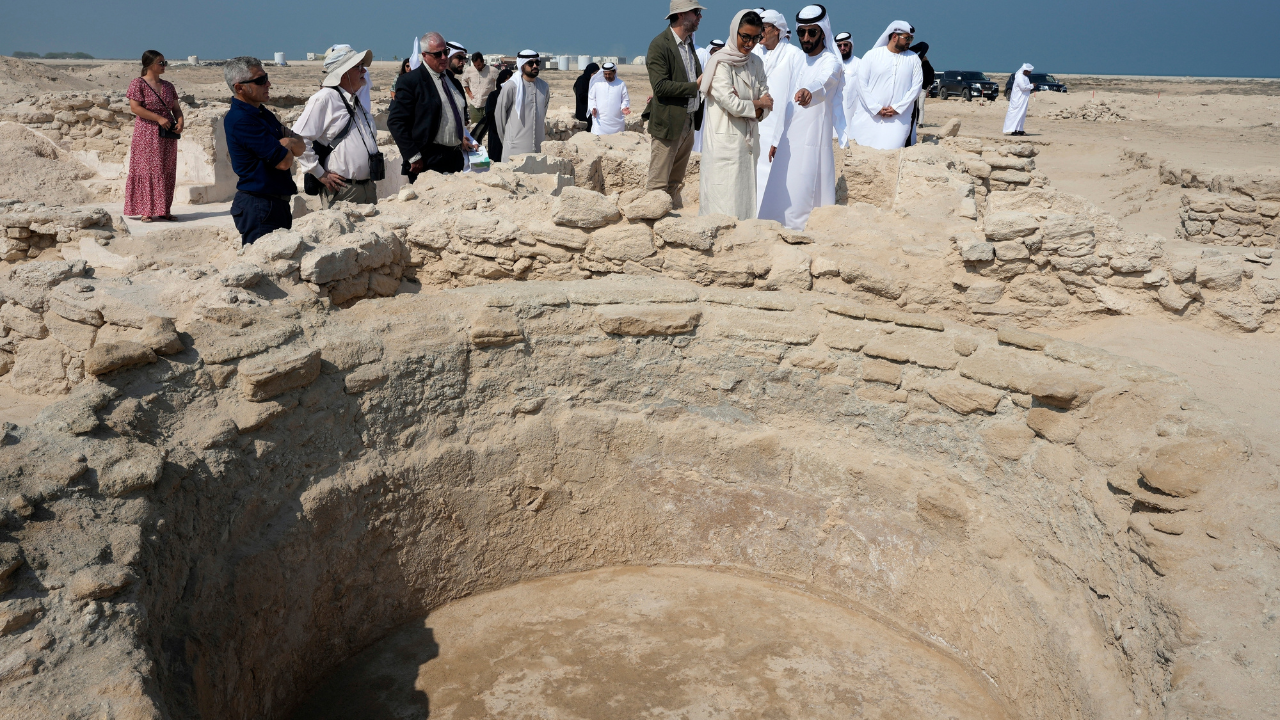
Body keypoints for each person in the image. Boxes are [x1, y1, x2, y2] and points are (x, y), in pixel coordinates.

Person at [757, 5, 842, 231]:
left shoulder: (831, 62)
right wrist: (776, 139)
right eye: (801, 32)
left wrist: (808, 92)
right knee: (778, 191)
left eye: (812, 32)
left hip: (812, 140)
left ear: (823, 32)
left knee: (803, 194)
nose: (805, 38)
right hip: (787, 141)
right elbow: (785, 102)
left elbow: (824, 83)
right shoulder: (798, 60)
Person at [699, 10, 772, 220]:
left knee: (744, 204)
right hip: (724, 147)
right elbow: (731, 103)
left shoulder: (756, 62)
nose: (749, 43)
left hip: (747, 145)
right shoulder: (721, 62)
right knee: (721, 208)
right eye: (745, 37)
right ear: (734, 33)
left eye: (755, 38)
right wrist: (757, 103)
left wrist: (756, 105)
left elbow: (767, 98)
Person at [222, 57, 303, 244]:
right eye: (260, 80)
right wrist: (287, 146)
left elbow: (300, 145)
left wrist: (288, 142)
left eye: (266, 77)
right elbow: (284, 162)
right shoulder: (242, 120)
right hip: (260, 206)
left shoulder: (262, 113)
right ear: (239, 88)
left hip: (275, 203)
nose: (268, 84)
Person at [292, 46, 380, 208]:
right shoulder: (325, 98)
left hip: (367, 187)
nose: (364, 72)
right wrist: (320, 173)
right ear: (344, 73)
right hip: (342, 189)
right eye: (359, 67)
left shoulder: (354, 99)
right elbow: (297, 138)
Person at [388, 32, 477, 182]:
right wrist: (413, 156)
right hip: (428, 160)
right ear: (425, 55)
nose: (443, 57)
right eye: (437, 54)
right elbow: (396, 121)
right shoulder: (411, 81)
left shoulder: (453, 82)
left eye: (445, 52)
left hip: (455, 157)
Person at [644, 0, 704, 205]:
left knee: (675, 183)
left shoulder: (688, 44)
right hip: (669, 124)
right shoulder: (659, 45)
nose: (699, 16)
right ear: (680, 15)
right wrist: (694, 86)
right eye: (695, 12)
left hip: (688, 122)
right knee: (658, 185)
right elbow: (660, 86)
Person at [753, 9, 805, 209]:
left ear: (777, 30)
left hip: (778, 126)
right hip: (754, 121)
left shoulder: (794, 55)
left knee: (771, 173)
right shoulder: (755, 52)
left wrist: (778, 136)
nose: (761, 33)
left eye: (764, 28)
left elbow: (792, 97)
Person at [124, 50, 183, 223]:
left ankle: (164, 209)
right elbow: (135, 108)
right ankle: (146, 210)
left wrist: (180, 122)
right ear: (149, 65)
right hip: (147, 133)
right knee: (147, 169)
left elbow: (176, 108)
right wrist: (158, 118)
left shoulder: (168, 86)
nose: (164, 66)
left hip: (167, 133)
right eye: (161, 63)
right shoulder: (138, 84)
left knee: (166, 170)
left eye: (165, 63)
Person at [848, 20, 922, 151]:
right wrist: (876, 108)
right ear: (894, 37)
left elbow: (916, 87)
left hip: (898, 120)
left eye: (911, 38)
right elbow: (861, 84)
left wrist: (897, 108)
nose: (910, 41)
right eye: (907, 38)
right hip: (868, 118)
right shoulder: (872, 55)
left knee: (891, 152)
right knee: (860, 152)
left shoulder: (913, 59)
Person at [494, 50, 550, 157]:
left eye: (537, 63)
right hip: (514, 150)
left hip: (538, 149)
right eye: (530, 63)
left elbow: (543, 112)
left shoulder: (544, 87)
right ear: (522, 65)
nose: (535, 66)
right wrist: (508, 140)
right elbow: (499, 116)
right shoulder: (511, 86)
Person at [588, 62, 631, 136]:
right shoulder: (597, 84)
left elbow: (625, 99)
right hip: (600, 123)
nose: (607, 76)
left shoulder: (621, 84)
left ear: (614, 72)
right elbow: (591, 98)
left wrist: (624, 107)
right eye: (605, 74)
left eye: (609, 74)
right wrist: (593, 108)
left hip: (616, 123)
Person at [482, 68, 514, 161]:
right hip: (496, 134)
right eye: (507, 79)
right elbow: (490, 115)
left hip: (511, 134)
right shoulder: (493, 95)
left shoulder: (516, 95)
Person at [834, 32, 859, 148]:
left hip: (853, 110)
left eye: (845, 45)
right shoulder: (831, 64)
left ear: (851, 46)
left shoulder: (860, 64)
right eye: (839, 46)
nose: (842, 48)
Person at [907, 41, 934, 146]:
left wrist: (927, 88)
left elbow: (929, 79)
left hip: (921, 89)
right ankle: (918, 122)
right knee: (918, 107)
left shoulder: (925, 67)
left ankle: (920, 122)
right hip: (919, 89)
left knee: (919, 107)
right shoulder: (922, 66)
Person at [462, 52, 496, 127]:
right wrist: (468, 92)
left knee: (489, 127)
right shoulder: (469, 70)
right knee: (475, 128)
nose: (477, 67)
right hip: (475, 104)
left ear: (483, 61)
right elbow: (464, 81)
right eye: (475, 65)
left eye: (479, 65)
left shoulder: (493, 70)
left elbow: (500, 83)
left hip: (488, 104)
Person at [1004, 63, 1034, 136]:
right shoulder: (1019, 77)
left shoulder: (1024, 77)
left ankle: (1020, 129)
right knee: (1016, 114)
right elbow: (1023, 87)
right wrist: (1032, 85)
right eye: (1029, 72)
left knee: (1022, 114)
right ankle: (1014, 130)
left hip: (1022, 100)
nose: (1030, 73)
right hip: (1017, 100)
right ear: (1025, 71)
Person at [573, 62, 601, 132]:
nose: (596, 75)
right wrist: (593, 95)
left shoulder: (595, 81)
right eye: (594, 73)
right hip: (583, 111)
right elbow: (581, 96)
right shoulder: (582, 80)